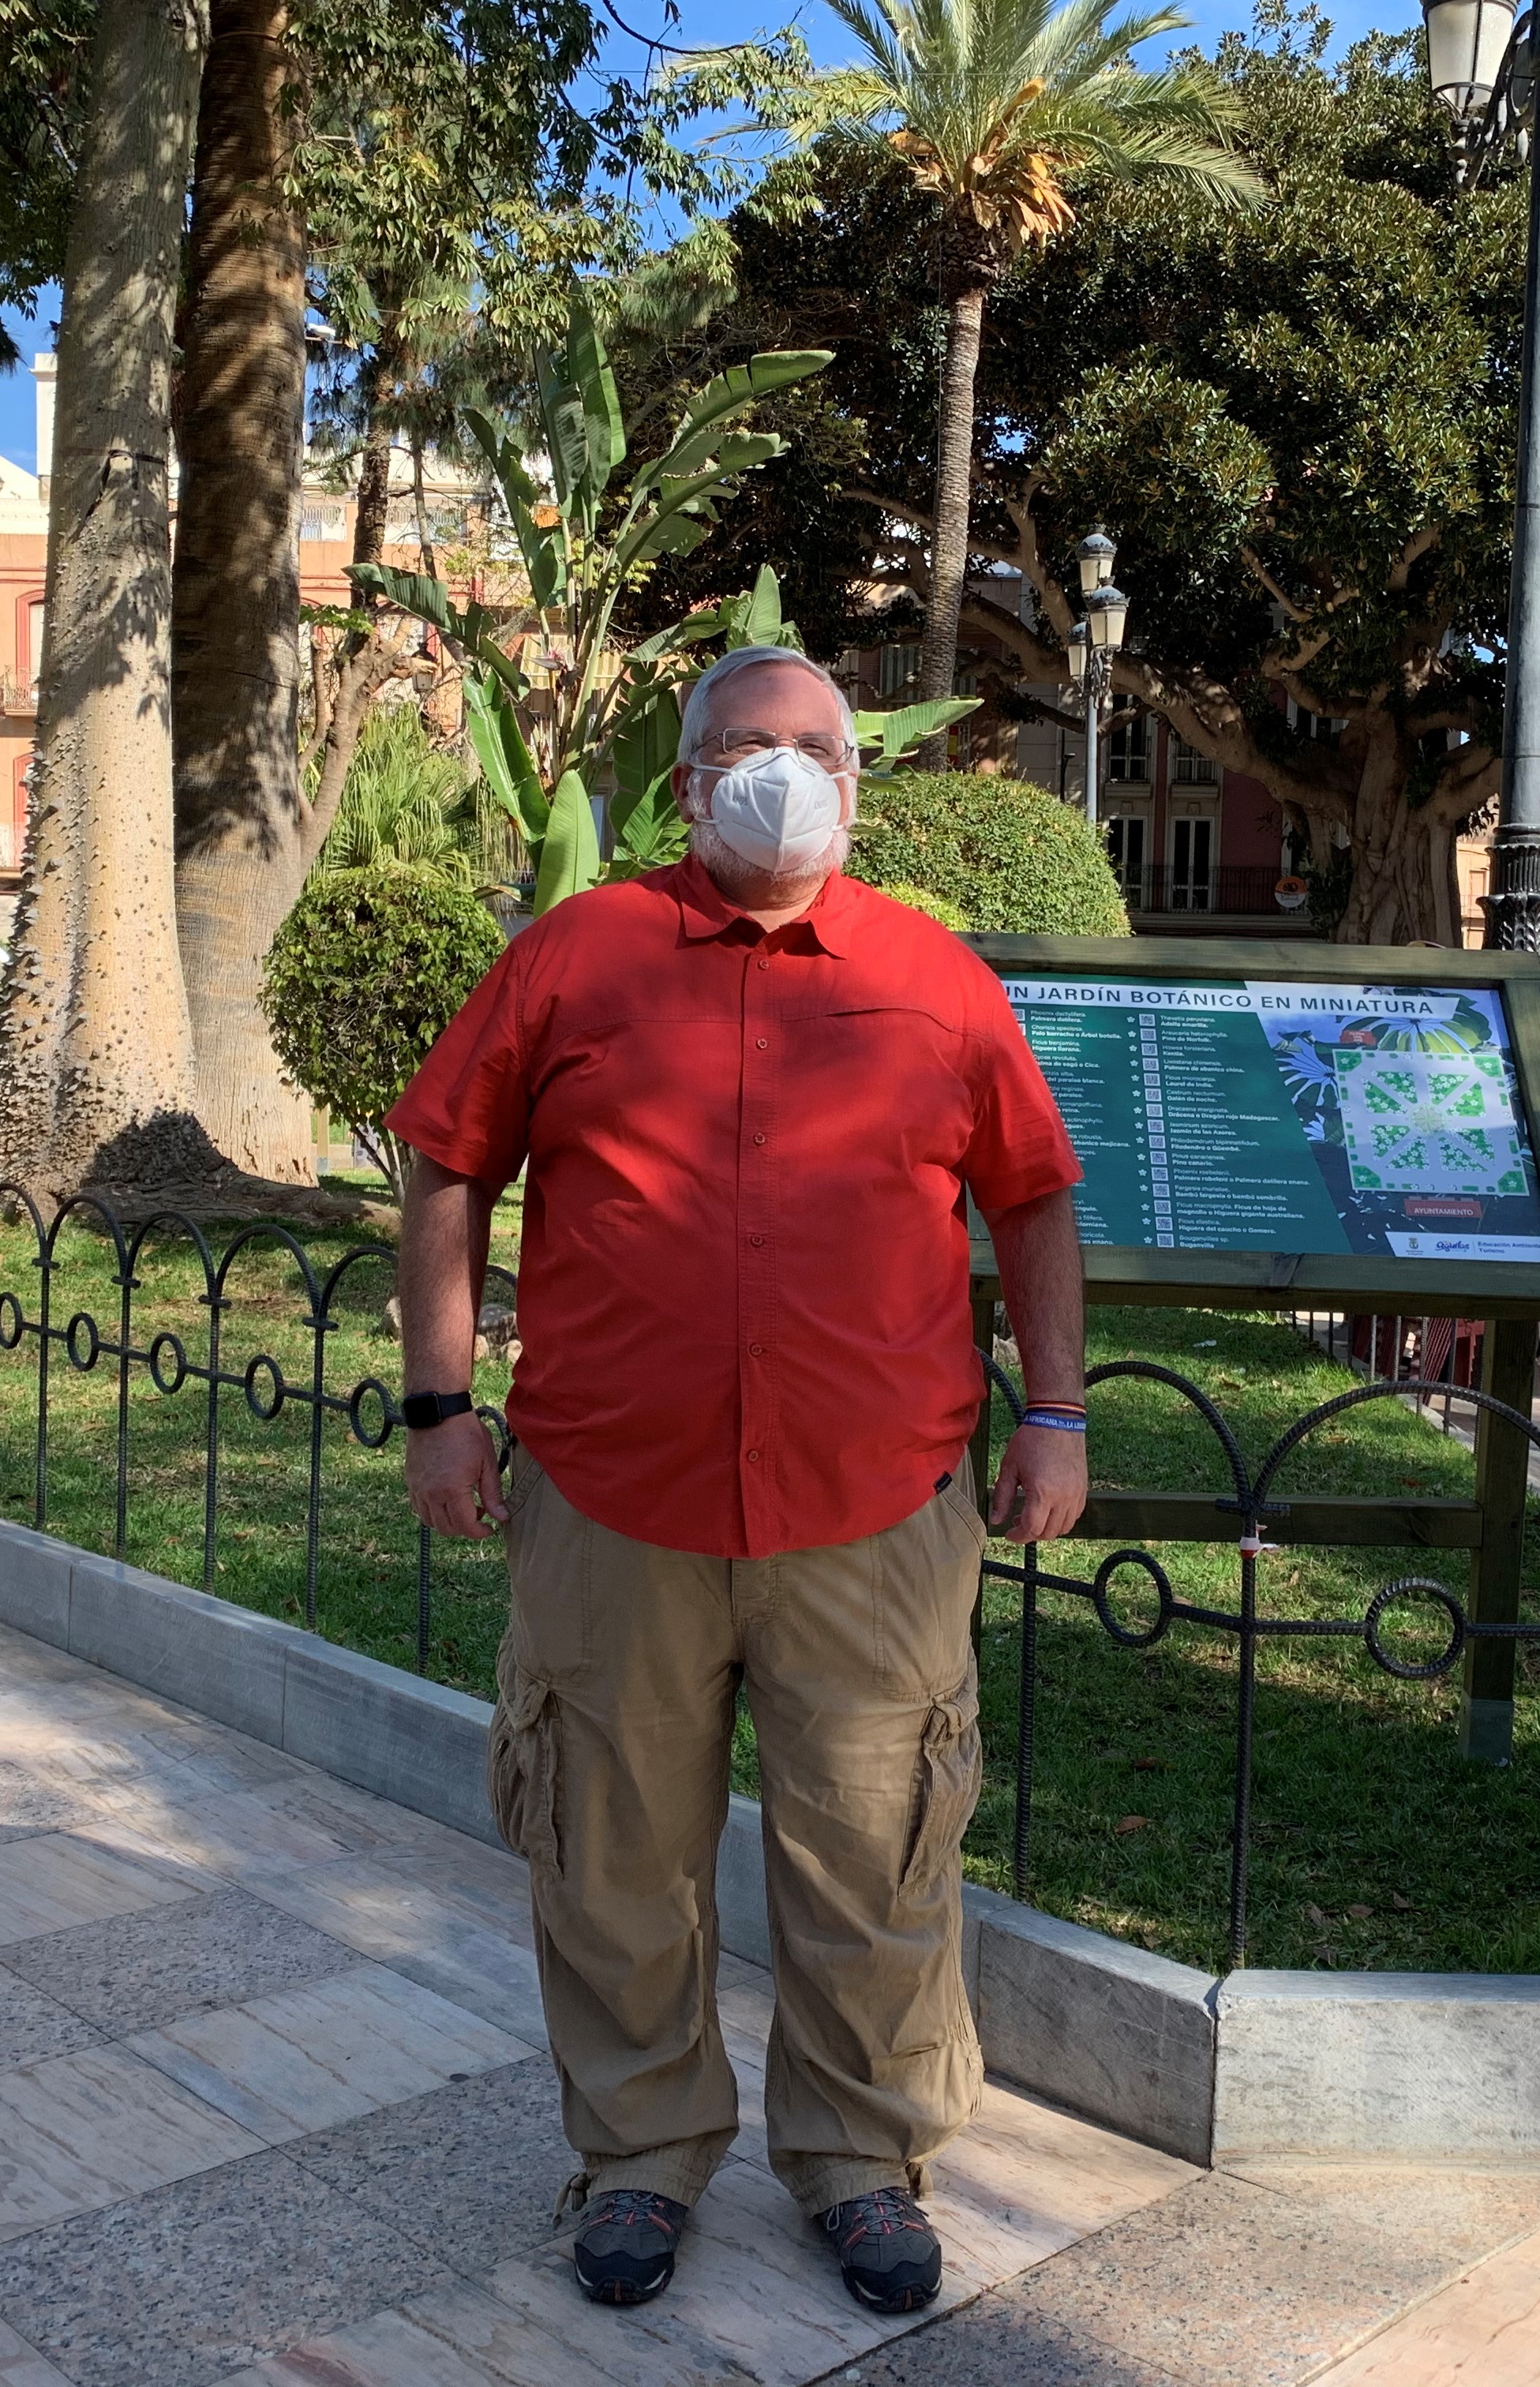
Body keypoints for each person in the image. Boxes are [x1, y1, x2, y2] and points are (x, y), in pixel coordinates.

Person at [387, 646, 1091, 2319]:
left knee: (875, 1856)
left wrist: (1055, 1414)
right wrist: (439, 1404)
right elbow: (449, 1165)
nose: (778, 773)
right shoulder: (576, 954)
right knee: (613, 1854)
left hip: (875, 1504)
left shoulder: (935, 978)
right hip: (614, 1499)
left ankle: (862, 2159)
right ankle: (640, 2153)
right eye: (742, 747)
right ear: (688, 778)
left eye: (811, 749)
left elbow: (1032, 1197)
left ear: (856, 782)